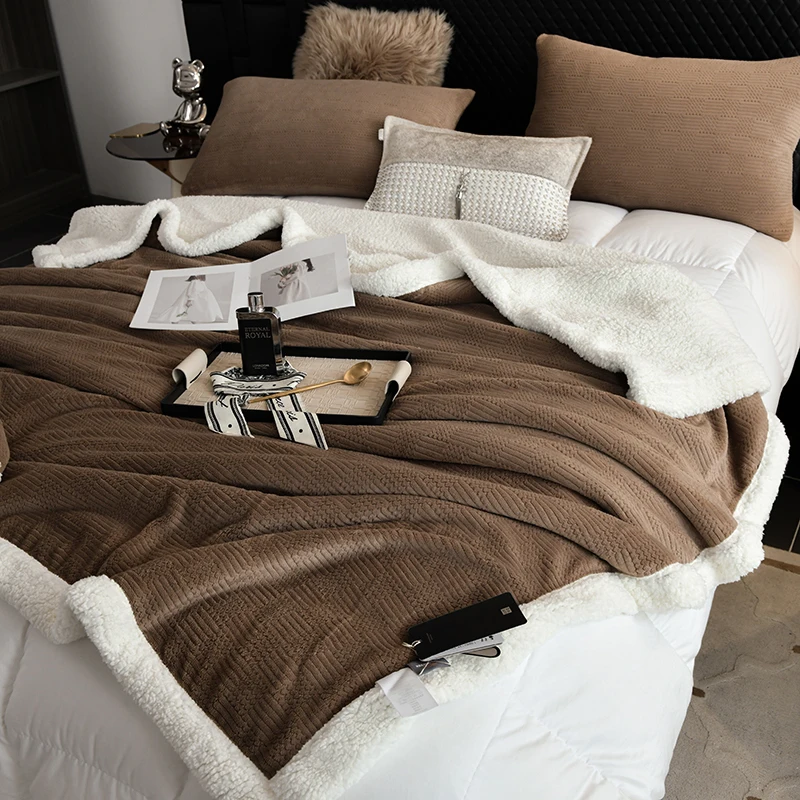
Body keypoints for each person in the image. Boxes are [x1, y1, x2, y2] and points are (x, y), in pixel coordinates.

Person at [156, 275, 224, 323]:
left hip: (193, 298)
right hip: (192, 298)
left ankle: (178, 319)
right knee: (183, 308)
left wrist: (191, 299)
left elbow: (193, 290)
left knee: (183, 308)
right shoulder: (197, 282)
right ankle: (175, 319)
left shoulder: (197, 282)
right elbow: (193, 290)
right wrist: (190, 299)